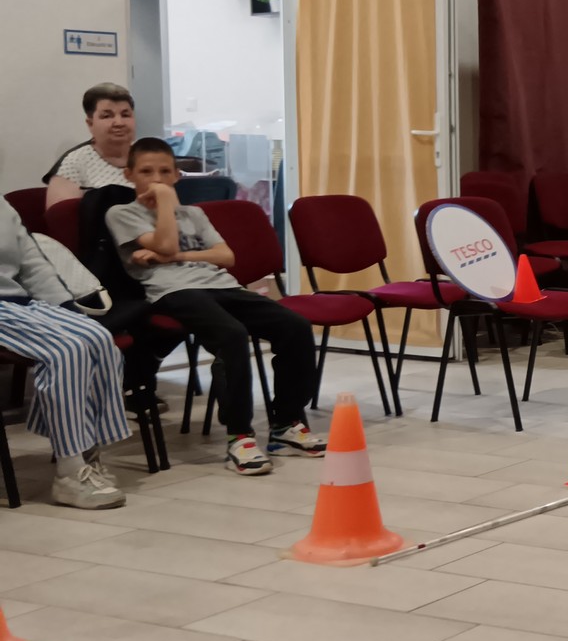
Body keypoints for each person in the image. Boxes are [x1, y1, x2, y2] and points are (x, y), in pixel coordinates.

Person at [104, 138, 326, 475]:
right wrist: (165, 204)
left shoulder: (194, 213)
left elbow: (226, 257)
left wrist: (172, 255)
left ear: (177, 175)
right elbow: (165, 241)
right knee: (231, 336)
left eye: (164, 172)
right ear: (129, 175)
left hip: (222, 285)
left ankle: (286, 424)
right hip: (174, 291)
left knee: (295, 326)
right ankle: (240, 436)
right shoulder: (121, 214)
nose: (157, 179)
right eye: (147, 172)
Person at [0, 201, 130, 509]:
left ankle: (85, 452)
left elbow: (33, 263)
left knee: (99, 339)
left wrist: (66, 308)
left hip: (16, 303)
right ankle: (69, 474)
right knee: (66, 350)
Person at [44, 83, 138, 203]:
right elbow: (60, 213)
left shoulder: (149, 153)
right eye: (107, 116)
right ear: (90, 124)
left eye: (125, 115)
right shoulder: (74, 163)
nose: (119, 123)